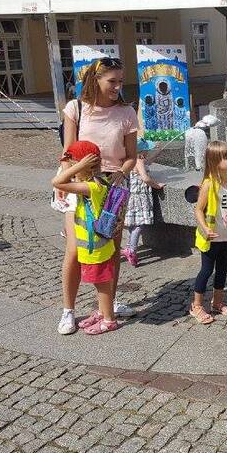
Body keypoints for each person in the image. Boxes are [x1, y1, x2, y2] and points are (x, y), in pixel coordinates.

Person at [57, 57, 138, 335]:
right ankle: (68, 311)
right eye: (111, 81)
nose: (117, 87)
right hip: (80, 184)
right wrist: (72, 177)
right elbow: (67, 153)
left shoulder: (127, 112)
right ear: (96, 79)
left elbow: (131, 157)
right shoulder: (76, 108)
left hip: (112, 189)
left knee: (111, 249)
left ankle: (107, 307)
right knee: (76, 250)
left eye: (120, 81)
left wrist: (121, 173)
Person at [52, 141, 119, 335]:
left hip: (94, 246)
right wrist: (79, 166)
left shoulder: (91, 187)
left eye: (72, 164)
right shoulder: (99, 182)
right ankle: (102, 312)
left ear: (84, 165)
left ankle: (109, 320)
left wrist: (78, 167)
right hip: (96, 244)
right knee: (101, 281)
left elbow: (57, 182)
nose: (70, 168)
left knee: (102, 283)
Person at [191, 141, 227, 324]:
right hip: (211, 238)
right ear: (214, 161)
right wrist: (205, 228)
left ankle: (217, 302)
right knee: (206, 270)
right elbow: (198, 209)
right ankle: (196, 306)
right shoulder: (209, 184)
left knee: (222, 270)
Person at [121, 138, 165, 267]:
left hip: (131, 196)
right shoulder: (139, 161)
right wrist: (157, 185)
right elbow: (145, 178)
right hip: (140, 197)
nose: (148, 152)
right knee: (139, 224)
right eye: (147, 149)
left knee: (132, 224)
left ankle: (128, 247)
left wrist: (158, 151)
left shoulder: (131, 161)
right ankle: (132, 250)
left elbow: (148, 162)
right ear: (142, 151)